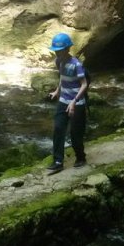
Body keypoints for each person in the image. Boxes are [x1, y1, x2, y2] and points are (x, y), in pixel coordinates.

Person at [46, 33, 88, 173]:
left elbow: (84, 84)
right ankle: (58, 161)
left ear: (67, 49)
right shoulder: (59, 61)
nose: (57, 53)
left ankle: (81, 157)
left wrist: (74, 102)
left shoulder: (76, 64)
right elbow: (62, 77)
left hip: (77, 103)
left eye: (59, 51)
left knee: (75, 133)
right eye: (56, 51)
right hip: (63, 101)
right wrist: (57, 91)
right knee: (58, 129)